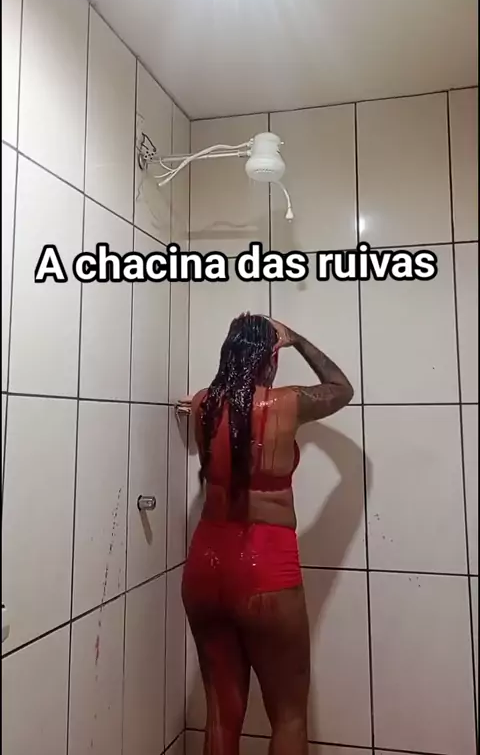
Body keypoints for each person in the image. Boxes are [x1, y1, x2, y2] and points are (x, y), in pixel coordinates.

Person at [176, 313, 353, 755]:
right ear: (270, 358)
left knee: (221, 714)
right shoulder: (286, 403)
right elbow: (341, 388)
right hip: (265, 569)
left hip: (204, 567)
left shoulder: (201, 404)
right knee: (289, 716)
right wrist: (298, 339)